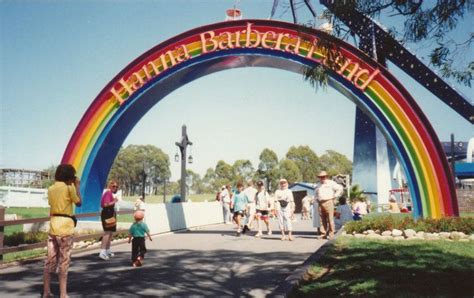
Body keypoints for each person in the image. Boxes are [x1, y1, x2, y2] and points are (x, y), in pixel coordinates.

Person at [43, 164, 82, 298]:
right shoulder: (69, 187)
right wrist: (77, 186)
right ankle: (63, 294)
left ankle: (46, 291)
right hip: (66, 227)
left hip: (54, 226)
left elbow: (51, 204)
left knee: (50, 260)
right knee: (64, 261)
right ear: (70, 176)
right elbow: (79, 202)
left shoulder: (51, 188)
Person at [314, 171, 343, 240]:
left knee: (330, 219)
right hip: (320, 203)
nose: (322, 178)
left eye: (323, 176)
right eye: (320, 177)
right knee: (322, 219)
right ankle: (323, 234)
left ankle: (331, 234)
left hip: (329, 201)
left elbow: (340, 188)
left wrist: (335, 196)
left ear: (326, 176)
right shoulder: (318, 185)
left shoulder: (331, 183)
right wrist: (316, 199)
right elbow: (315, 193)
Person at [99, 180, 119, 260]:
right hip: (107, 214)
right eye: (113, 186)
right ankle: (102, 252)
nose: (115, 188)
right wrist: (114, 201)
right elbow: (105, 204)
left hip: (110, 213)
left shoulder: (110, 194)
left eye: (117, 186)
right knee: (107, 233)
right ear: (109, 186)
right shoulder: (108, 193)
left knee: (110, 233)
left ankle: (107, 250)